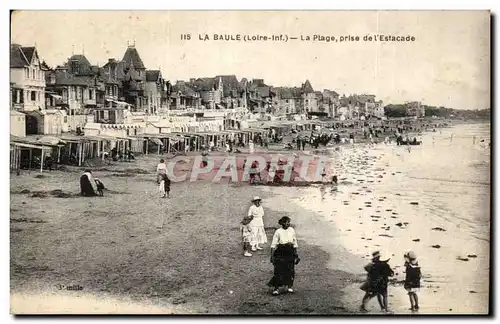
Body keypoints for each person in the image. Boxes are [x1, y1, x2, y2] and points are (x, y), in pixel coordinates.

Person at [268, 216, 300, 296]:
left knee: (290, 269)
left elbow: (295, 243)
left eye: (289, 222)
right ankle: (276, 288)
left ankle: (289, 286)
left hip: (290, 251)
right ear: (282, 223)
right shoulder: (278, 231)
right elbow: (273, 245)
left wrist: (296, 254)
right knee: (278, 270)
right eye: (286, 222)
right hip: (281, 251)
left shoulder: (292, 230)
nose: (288, 223)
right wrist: (272, 256)